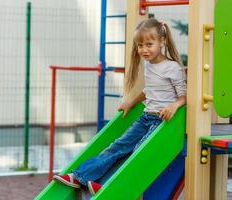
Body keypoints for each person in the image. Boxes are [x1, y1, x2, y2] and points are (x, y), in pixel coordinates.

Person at [53, 18, 187, 196]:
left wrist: (174, 105)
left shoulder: (172, 67)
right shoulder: (148, 64)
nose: (144, 50)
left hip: (162, 122)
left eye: (149, 44)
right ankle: (80, 176)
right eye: (140, 45)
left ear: (161, 41)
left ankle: (108, 183)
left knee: (137, 151)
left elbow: (184, 96)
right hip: (146, 118)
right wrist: (131, 102)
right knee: (118, 146)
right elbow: (150, 90)